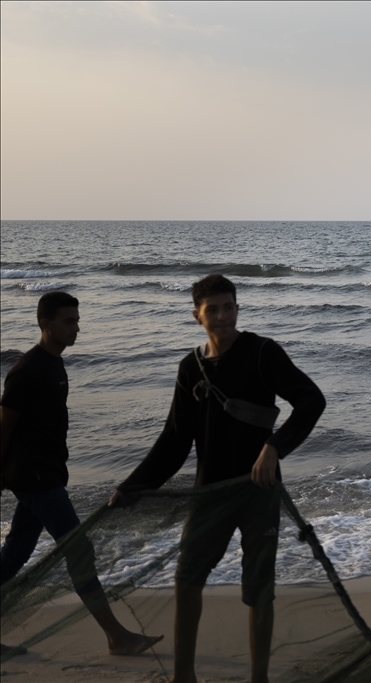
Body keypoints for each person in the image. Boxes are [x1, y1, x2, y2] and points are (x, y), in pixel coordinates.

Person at [107, 274, 326, 683]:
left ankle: (258, 678)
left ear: (238, 309)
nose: (222, 316)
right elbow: (174, 441)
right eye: (213, 310)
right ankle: (183, 676)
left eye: (229, 307)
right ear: (197, 316)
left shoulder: (263, 353)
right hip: (209, 492)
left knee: (259, 587)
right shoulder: (190, 368)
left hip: (259, 491)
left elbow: (311, 400)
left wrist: (275, 447)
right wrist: (133, 485)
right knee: (187, 578)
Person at [0, 292, 163, 658]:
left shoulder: (55, 365)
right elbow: (4, 427)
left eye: (77, 320)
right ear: (46, 324)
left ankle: (116, 637)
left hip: (47, 475)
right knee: (79, 551)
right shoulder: (28, 370)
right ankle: (116, 637)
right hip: (37, 479)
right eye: (68, 321)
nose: (77, 327)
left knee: (13, 557)